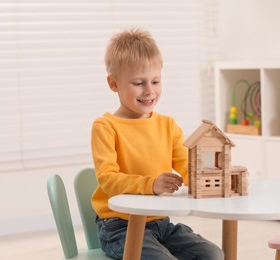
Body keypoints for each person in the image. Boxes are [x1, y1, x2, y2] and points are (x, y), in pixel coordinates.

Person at [91, 28, 224, 260]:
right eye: (138, 83)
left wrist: (215, 178)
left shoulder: (168, 125)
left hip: (159, 222)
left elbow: (187, 165)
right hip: (119, 226)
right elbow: (107, 179)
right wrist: (151, 184)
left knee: (212, 254)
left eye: (155, 81)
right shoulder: (105, 127)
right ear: (113, 84)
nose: (149, 91)